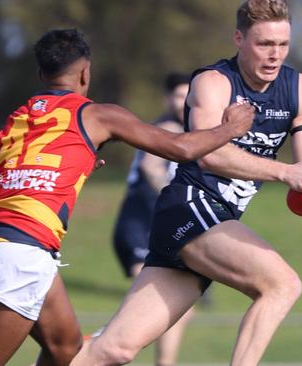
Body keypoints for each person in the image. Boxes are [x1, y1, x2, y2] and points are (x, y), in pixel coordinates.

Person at [0, 29, 254, 366]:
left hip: (1, 241)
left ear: (40, 74)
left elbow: (11, 170)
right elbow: (180, 148)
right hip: (22, 251)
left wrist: (76, 165)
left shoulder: (19, 117)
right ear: (85, 73)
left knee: (65, 348)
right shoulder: (96, 114)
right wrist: (230, 129)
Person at [69, 1, 302, 365]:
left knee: (114, 349)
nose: (274, 55)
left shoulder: (301, 88)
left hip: (212, 223)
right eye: (264, 44)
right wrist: (286, 173)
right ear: (239, 38)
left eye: (283, 45)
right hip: (189, 208)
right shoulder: (213, 82)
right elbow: (209, 154)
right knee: (282, 285)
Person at [109, 72, 194, 366]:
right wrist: (176, 199)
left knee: (179, 304)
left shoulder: (189, 134)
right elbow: (150, 166)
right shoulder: (166, 128)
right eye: (179, 96)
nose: (184, 103)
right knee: (152, 303)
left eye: (189, 97)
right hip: (138, 225)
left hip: (163, 230)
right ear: (168, 98)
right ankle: (96, 349)